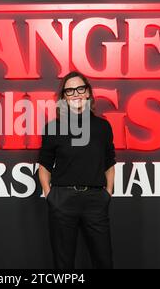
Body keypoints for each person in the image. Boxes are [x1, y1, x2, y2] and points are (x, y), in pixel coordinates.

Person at [37, 71, 117, 269]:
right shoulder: (53, 128)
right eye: (70, 91)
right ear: (64, 97)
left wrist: (108, 192)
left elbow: (109, 162)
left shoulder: (103, 127)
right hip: (63, 200)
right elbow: (44, 165)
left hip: (95, 200)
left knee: (104, 262)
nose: (76, 94)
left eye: (80, 89)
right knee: (63, 264)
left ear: (88, 92)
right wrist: (50, 195)